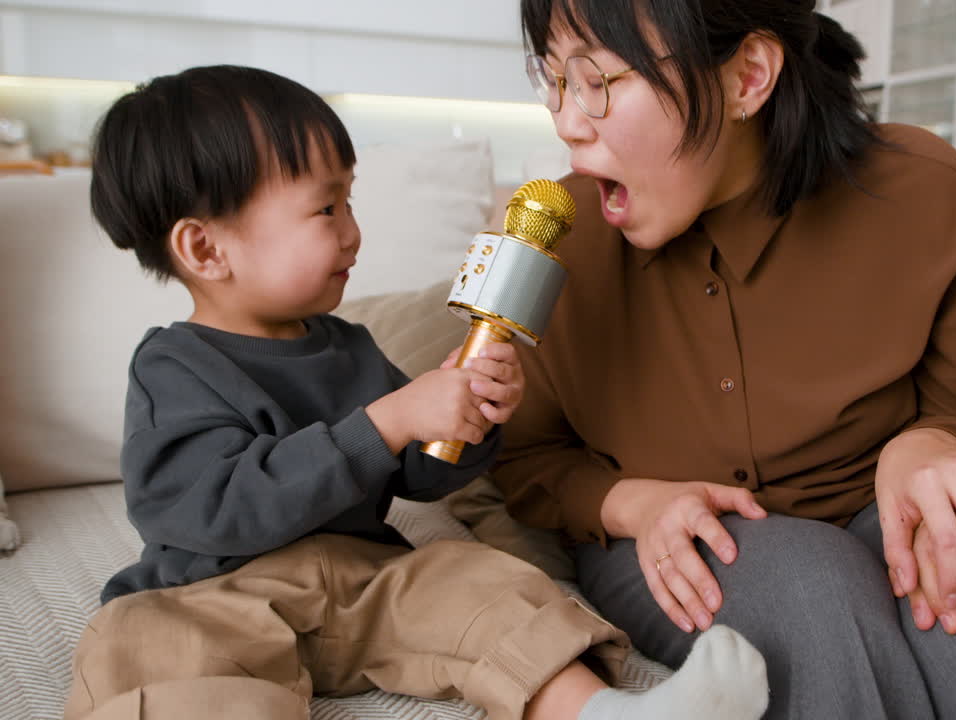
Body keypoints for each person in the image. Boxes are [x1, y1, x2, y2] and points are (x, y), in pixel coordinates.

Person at [64, 64, 769, 720]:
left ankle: (605, 712)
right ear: (205, 250)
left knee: (479, 581)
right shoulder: (173, 367)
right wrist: (385, 423)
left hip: (362, 582)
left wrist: (469, 417)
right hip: (214, 593)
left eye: (349, 200)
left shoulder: (349, 346)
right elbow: (216, 508)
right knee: (143, 639)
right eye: (325, 209)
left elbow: (423, 476)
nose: (353, 233)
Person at [487, 1, 956, 718]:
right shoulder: (555, 238)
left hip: (878, 508)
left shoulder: (921, 192)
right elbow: (525, 458)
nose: (567, 121)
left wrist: (929, 446)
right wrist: (638, 504)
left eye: (599, 81)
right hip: (668, 537)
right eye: (554, 80)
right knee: (807, 588)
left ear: (748, 77)